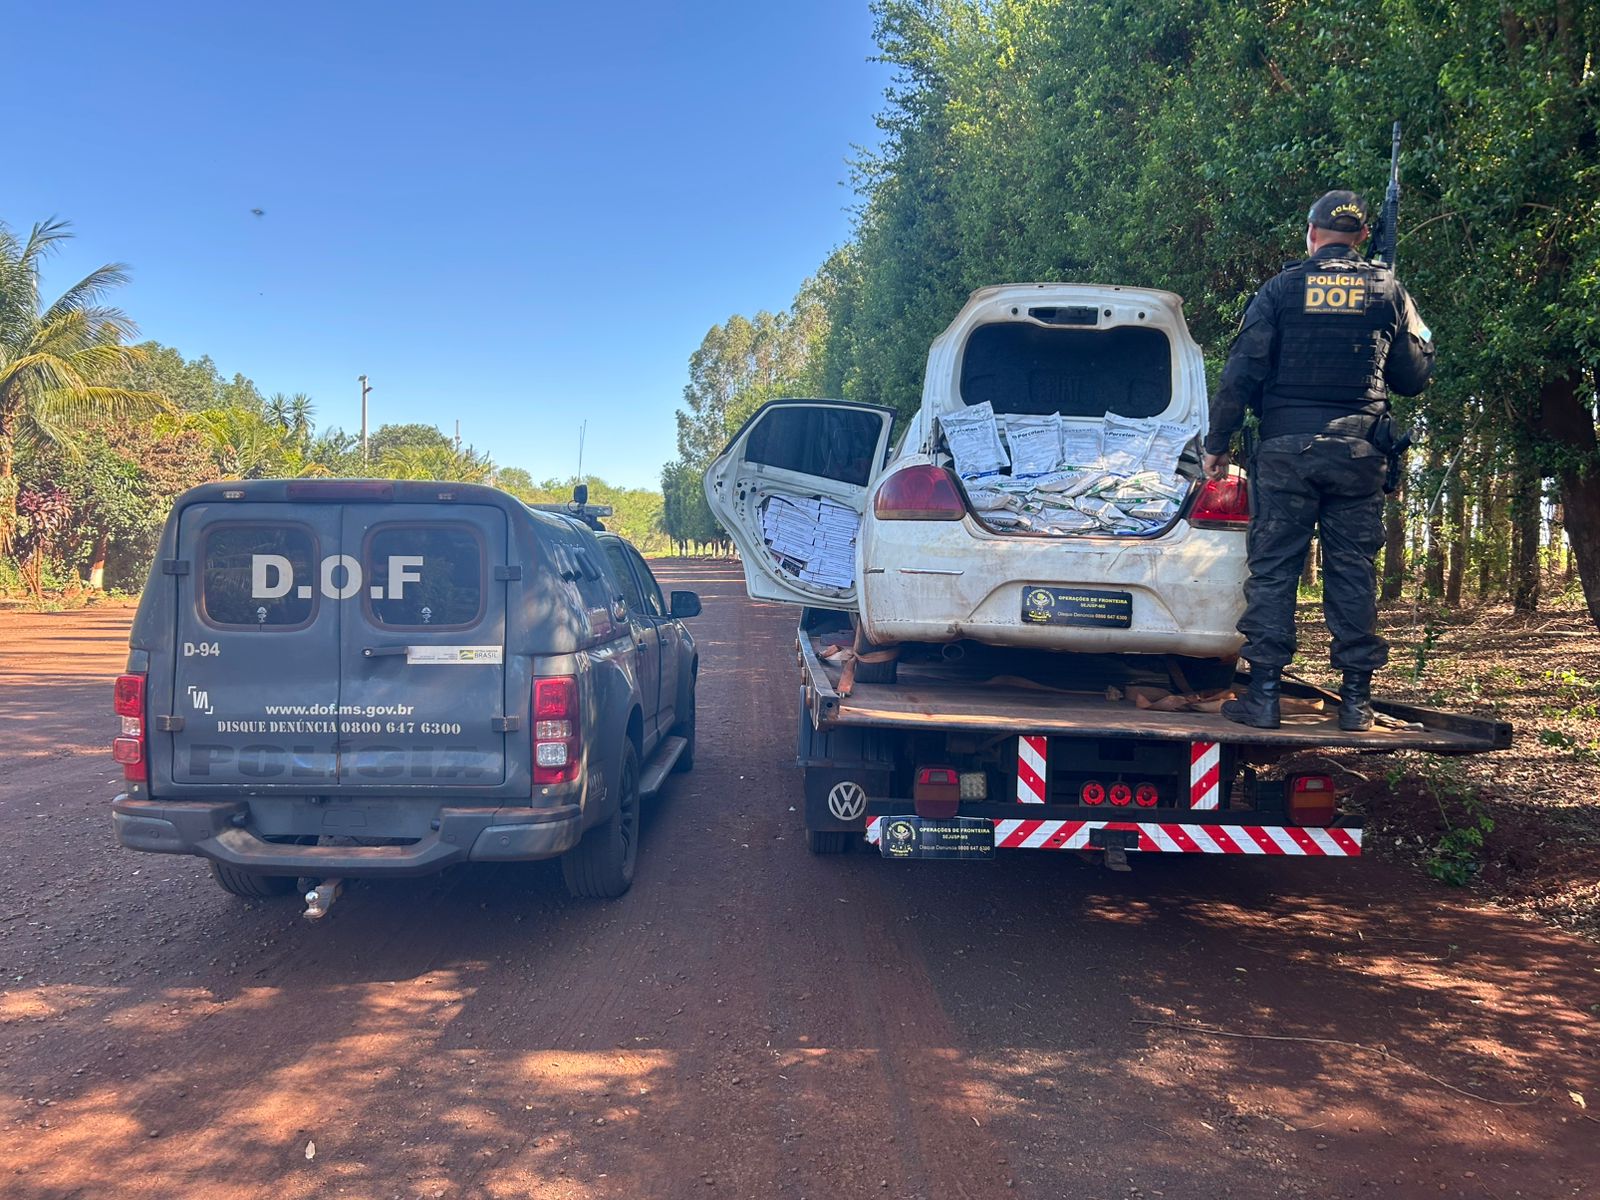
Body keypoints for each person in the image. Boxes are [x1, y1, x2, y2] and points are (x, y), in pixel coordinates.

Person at [1203, 190, 1435, 731]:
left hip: (1287, 454)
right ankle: (1356, 702)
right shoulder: (1388, 291)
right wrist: (1406, 320)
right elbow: (1413, 377)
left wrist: (1218, 445)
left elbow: (1241, 374)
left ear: (1310, 234)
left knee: (1275, 569)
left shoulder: (1281, 290)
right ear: (1357, 238)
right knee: (1353, 572)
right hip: (1359, 456)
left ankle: (1262, 696)